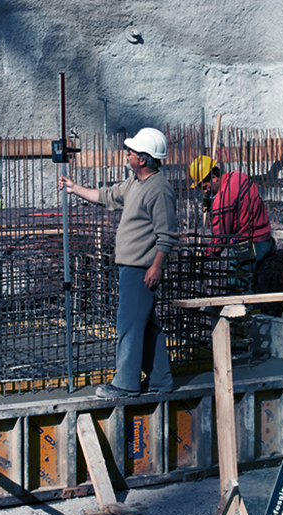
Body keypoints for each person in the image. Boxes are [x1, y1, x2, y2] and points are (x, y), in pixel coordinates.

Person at [58, 128, 178, 398]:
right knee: (146, 327)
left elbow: (167, 234)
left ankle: (126, 384)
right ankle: (160, 379)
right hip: (132, 267)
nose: (127, 155)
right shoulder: (135, 183)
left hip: (140, 269)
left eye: (132, 152)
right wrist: (74, 188)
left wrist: (156, 266)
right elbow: (106, 196)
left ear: (144, 159)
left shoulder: (159, 190)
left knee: (128, 326)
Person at [189, 155, 275, 294]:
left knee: (237, 291)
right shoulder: (239, 176)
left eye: (205, 186)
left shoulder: (221, 202)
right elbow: (239, 206)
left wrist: (204, 254)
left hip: (249, 248)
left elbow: (220, 241)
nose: (204, 191)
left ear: (215, 178)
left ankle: (245, 314)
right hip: (266, 240)